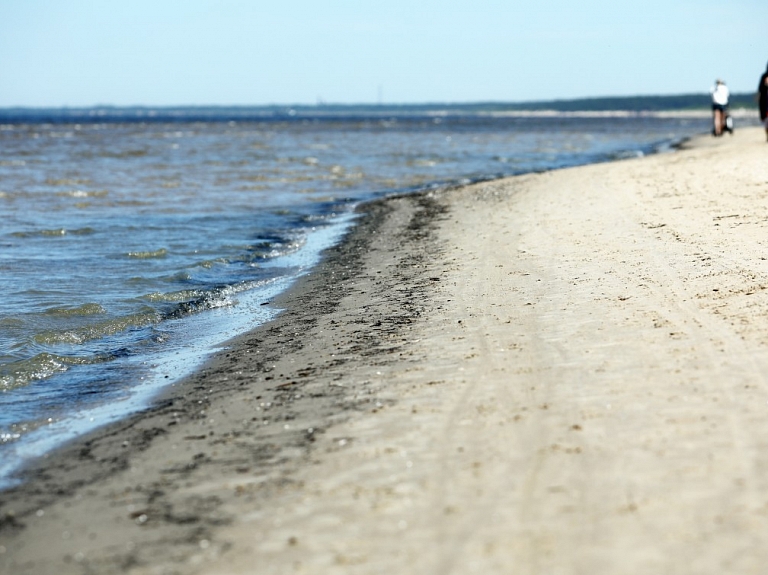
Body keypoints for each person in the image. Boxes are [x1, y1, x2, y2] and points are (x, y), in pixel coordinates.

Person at [758, 62, 768, 142]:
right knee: (766, 121)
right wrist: (765, 84)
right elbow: (760, 89)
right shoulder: (764, 76)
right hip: (765, 102)